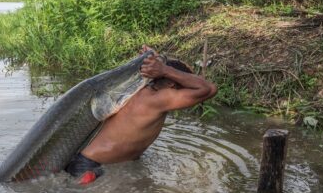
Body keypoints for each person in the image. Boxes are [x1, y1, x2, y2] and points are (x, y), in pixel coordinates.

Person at [66, 45, 218, 184]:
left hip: (87, 161)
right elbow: (209, 89)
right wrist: (166, 70)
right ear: (172, 84)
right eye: (184, 87)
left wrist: (158, 64)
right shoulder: (160, 99)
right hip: (90, 168)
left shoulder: (139, 90)